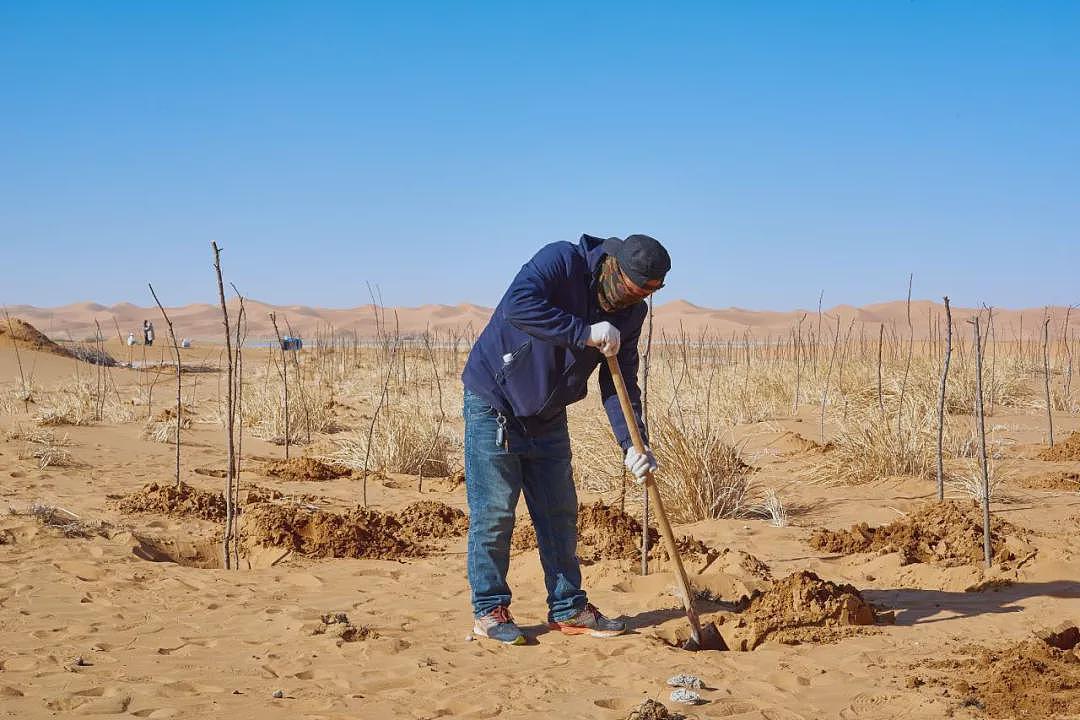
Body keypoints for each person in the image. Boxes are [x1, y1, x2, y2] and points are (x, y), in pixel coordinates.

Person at [461, 233, 670, 645]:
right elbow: (518, 306)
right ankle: (489, 609)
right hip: (495, 400)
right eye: (632, 289)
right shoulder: (561, 261)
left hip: (549, 414)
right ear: (615, 267)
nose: (634, 300)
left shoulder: (631, 315)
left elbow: (621, 382)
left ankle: (568, 606)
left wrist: (634, 445)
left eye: (648, 293)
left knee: (559, 512)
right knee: (495, 513)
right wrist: (584, 331)